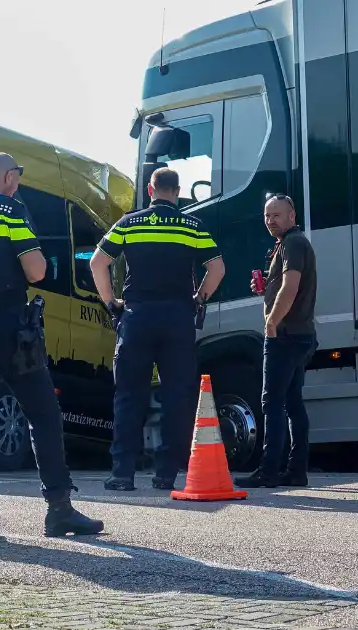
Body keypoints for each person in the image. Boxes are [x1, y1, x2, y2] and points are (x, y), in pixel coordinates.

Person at [0, 152, 104, 542]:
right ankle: (58, 509)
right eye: (18, 179)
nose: (18, 186)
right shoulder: (10, 211)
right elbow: (37, 270)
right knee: (42, 413)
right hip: (9, 327)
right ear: (8, 177)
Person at [88, 167, 225, 491]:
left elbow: (97, 262)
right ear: (176, 192)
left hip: (137, 318)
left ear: (151, 190)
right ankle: (166, 474)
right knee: (177, 396)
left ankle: (122, 473)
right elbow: (217, 267)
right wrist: (198, 297)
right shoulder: (192, 225)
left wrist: (112, 302)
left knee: (128, 396)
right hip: (177, 318)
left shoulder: (130, 223)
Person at [234, 193, 318, 489]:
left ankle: (269, 470)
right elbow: (285, 287)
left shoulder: (293, 243)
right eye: (267, 215)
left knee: (272, 402)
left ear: (292, 216)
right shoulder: (288, 244)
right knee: (293, 404)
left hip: (286, 336)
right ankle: (296, 471)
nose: (270, 221)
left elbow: (291, 287)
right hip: (299, 335)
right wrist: (265, 292)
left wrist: (271, 322)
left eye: (277, 215)